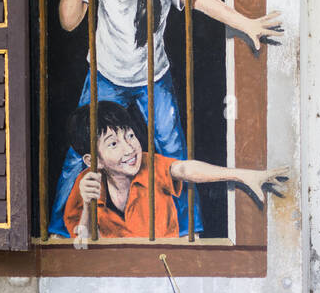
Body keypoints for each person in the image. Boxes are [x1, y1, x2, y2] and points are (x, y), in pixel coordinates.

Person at [49, 0, 283, 238]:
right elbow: (68, 22)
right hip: (104, 77)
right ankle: (59, 229)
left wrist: (245, 23)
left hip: (152, 78)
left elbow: (200, 0)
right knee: (80, 153)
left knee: (173, 153)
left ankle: (191, 231)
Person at [63, 102, 287, 245]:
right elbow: (81, 247)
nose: (129, 148)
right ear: (93, 161)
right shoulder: (86, 184)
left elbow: (184, 168)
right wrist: (87, 205)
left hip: (164, 268)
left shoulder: (150, 165)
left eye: (130, 136)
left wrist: (243, 175)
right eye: (113, 144)